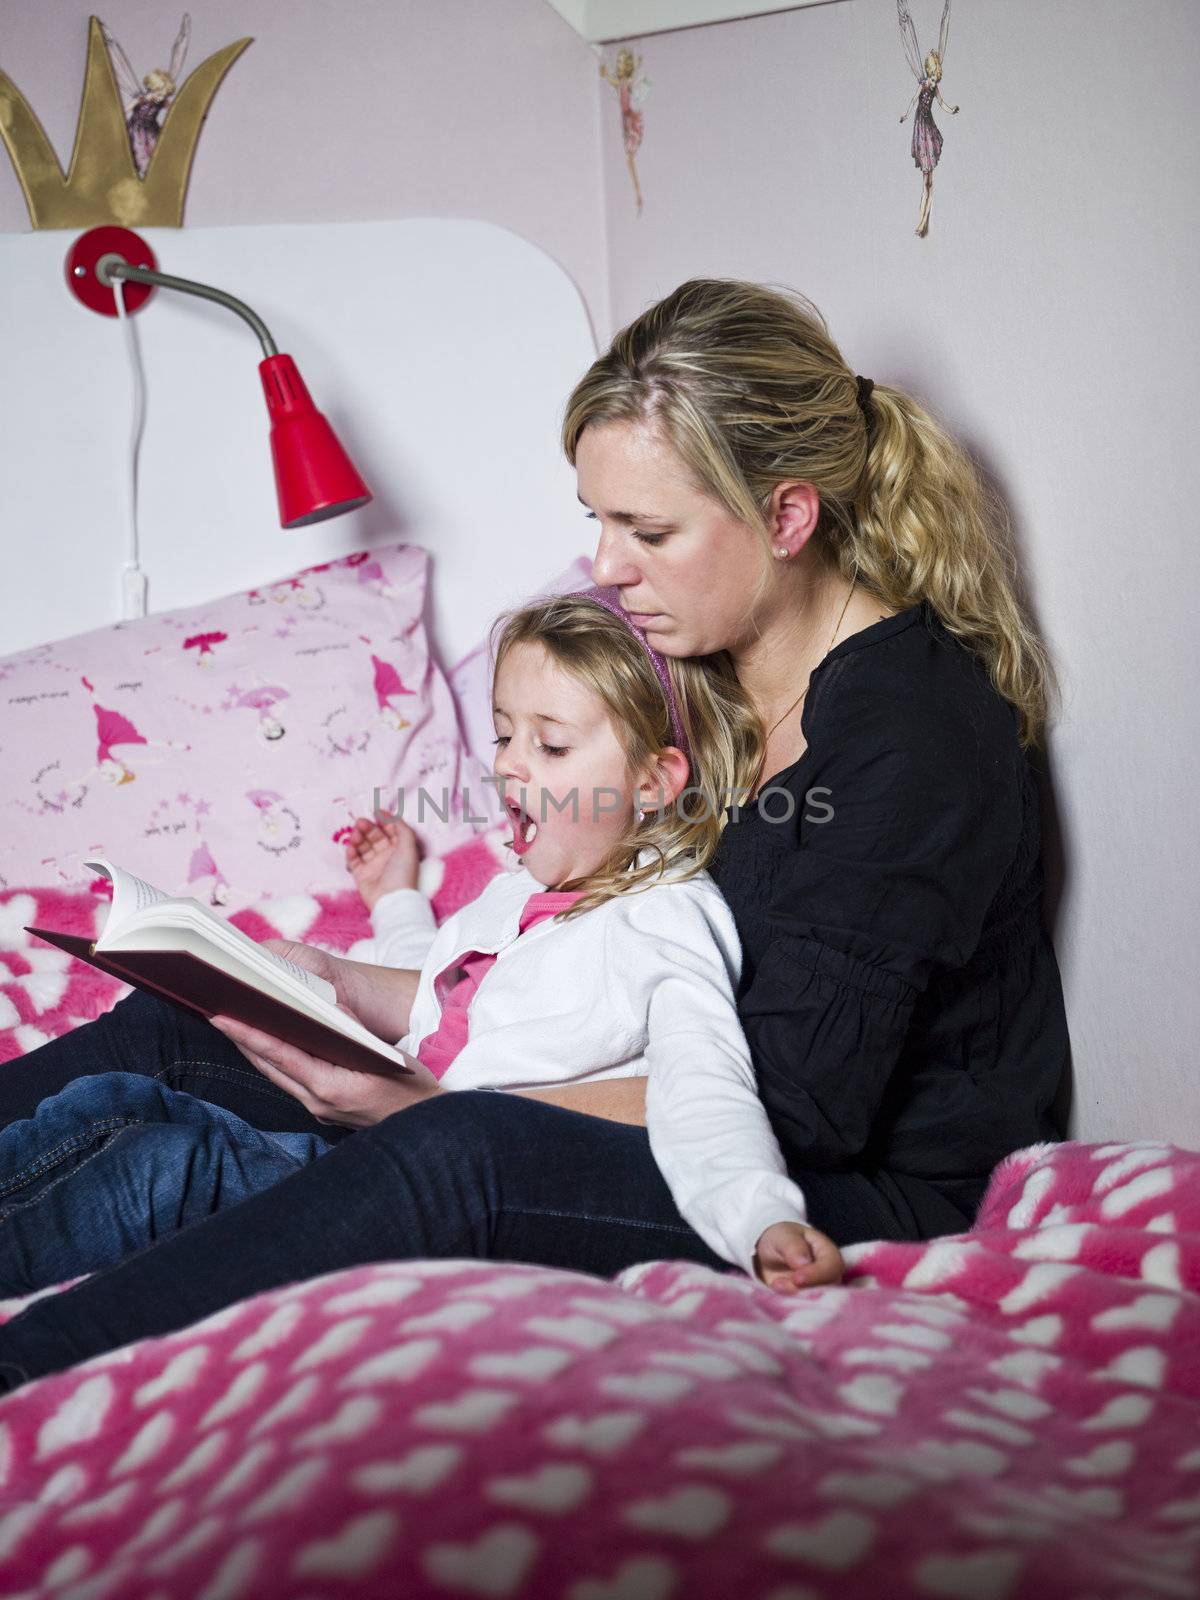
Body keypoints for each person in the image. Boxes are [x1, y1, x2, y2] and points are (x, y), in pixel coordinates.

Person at [0, 278, 1068, 1393]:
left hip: (831, 1185)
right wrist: (331, 983)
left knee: (453, 1151)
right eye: (596, 521)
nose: (606, 567)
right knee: (195, 1021)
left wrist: (430, 1096)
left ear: (788, 518)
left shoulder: (915, 747)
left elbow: (796, 1108)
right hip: (651, 1083)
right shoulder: (707, 675)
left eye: (648, 530)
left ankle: (27, 1368)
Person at [0, 592, 831, 1298]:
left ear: (652, 782)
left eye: (551, 745)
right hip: (375, 1140)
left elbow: (705, 1084)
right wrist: (391, 899)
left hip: (447, 1189)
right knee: (111, 1101)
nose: (510, 768)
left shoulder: (666, 919)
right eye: (505, 736)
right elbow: (447, 987)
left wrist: (763, 1218)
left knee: (169, 1166)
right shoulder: (524, 888)